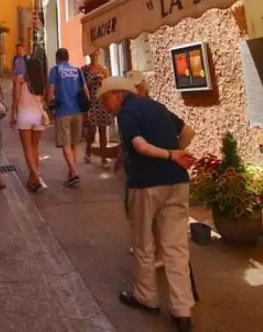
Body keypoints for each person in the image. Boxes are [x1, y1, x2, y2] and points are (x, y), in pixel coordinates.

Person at [97, 76, 197, 332]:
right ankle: (182, 310)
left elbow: (139, 145)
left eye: (106, 98)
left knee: (144, 244)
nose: (105, 105)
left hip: (146, 185)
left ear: (118, 94)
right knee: (176, 248)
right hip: (177, 181)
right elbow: (188, 131)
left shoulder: (127, 113)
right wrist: (176, 154)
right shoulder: (156, 106)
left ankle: (147, 297)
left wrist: (170, 154)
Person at [47, 48, 89, 188]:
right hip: (77, 111)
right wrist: (86, 110)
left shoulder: (55, 70)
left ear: (57, 58)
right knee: (73, 144)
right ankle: (71, 174)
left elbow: (51, 90)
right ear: (68, 57)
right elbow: (85, 90)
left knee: (65, 144)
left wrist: (49, 107)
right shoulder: (77, 70)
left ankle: (75, 172)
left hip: (63, 110)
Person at [12, 54, 48, 191]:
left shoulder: (20, 80)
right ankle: (32, 179)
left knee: (27, 148)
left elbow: (16, 99)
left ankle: (35, 176)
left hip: (25, 115)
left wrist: (12, 116)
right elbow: (43, 101)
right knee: (35, 148)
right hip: (38, 116)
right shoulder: (41, 84)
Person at [81, 50, 112, 167]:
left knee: (103, 131)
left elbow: (108, 85)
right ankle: (88, 149)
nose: (93, 56)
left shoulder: (104, 69)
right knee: (92, 130)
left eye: (95, 53)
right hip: (91, 103)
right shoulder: (85, 69)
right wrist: (90, 82)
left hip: (103, 103)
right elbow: (82, 87)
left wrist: (102, 81)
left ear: (98, 54)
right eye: (91, 54)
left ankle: (103, 159)